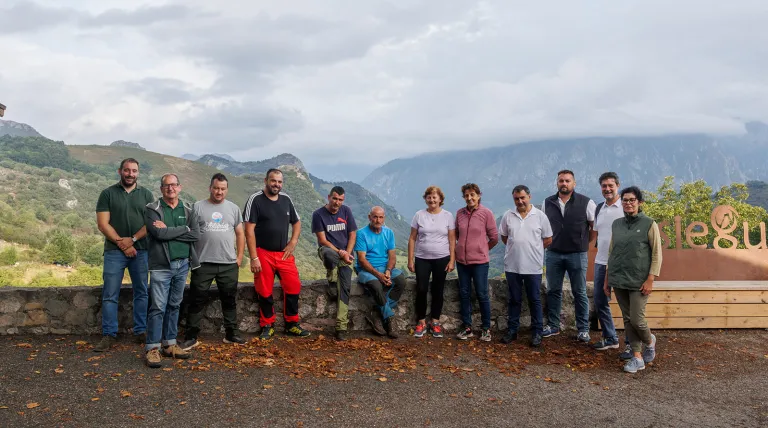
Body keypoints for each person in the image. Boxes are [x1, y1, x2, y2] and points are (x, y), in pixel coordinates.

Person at [94, 158, 155, 352]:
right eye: (127, 170)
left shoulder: (146, 194)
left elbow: (151, 223)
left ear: (138, 173)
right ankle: (109, 334)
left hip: (141, 249)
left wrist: (133, 240)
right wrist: (123, 243)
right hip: (114, 251)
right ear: (120, 171)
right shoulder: (107, 194)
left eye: (134, 171)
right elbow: (103, 224)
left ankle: (140, 331)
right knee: (110, 294)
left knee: (142, 292)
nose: (130, 174)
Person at [181, 173, 246, 351]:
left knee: (229, 298)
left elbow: (240, 233)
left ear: (227, 190)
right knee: (197, 298)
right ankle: (191, 336)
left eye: (223, 189)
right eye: (216, 188)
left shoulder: (233, 208)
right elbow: (189, 231)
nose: (219, 192)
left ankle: (232, 334)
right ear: (210, 187)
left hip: (228, 263)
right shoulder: (197, 207)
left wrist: (239, 257)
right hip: (203, 262)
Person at [244, 168, 310, 339]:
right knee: (264, 290)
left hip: (283, 253)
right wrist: (254, 258)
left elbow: (296, 222)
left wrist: (293, 242)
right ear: (266, 180)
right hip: (263, 252)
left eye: (280, 182)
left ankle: (292, 323)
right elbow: (248, 231)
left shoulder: (286, 199)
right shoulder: (255, 200)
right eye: (273, 181)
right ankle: (267, 324)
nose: (277, 185)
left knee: (294, 285)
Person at [143, 173, 200, 368]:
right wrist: (183, 229)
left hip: (182, 264)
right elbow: (158, 234)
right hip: (161, 266)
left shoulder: (188, 210)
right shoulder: (153, 209)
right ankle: (152, 348)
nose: (171, 189)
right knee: (158, 307)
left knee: (174, 305)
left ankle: (170, 344)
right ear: (161, 189)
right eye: (167, 186)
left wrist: (171, 230)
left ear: (180, 187)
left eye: (174, 185)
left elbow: (196, 235)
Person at [605, 186, 662, 373]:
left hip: (639, 280)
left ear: (639, 202)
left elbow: (656, 254)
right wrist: (607, 278)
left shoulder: (649, 223)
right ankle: (637, 357)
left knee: (637, 319)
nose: (628, 203)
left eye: (632, 200)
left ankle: (649, 340)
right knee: (628, 319)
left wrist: (651, 279)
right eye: (625, 200)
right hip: (619, 278)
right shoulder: (617, 224)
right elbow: (612, 251)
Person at [541, 170, 596, 342]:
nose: (564, 184)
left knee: (579, 292)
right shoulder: (547, 202)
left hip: (577, 255)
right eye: (561, 181)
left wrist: (582, 243)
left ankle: (583, 329)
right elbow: (543, 227)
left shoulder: (586, 202)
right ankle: (553, 326)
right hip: (554, 254)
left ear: (574, 183)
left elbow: (593, 227)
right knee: (553, 290)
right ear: (557, 183)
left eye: (567, 181)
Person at [498, 185, 552, 347]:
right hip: (512, 266)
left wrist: (533, 249)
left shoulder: (540, 216)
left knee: (534, 299)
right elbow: (504, 237)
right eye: (516, 198)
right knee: (514, 299)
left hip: (533, 266)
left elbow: (548, 239)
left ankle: (537, 332)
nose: (520, 201)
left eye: (523, 197)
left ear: (529, 197)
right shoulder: (508, 215)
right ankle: (512, 331)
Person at [407, 186, 455, 338]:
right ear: (425, 199)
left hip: (442, 258)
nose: (432, 200)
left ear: (440, 199)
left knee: (438, 290)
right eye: (429, 197)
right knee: (421, 289)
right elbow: (412, 238)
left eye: (435, 197)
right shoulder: (419, 215)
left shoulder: (448, 216)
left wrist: (452, 259)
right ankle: (421, 322)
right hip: (422, 258)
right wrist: (410, 259)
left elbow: (452, 239)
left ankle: (435, 322)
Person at [311, 186, 357, 341]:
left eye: (340, 200)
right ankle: (331, 278)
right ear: (329, 197)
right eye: (335, 198)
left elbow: (352, 234)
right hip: (328, 251)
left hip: (345, 256)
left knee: (345, 289)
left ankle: (341, 327)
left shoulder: (346, 211)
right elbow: (322, 240)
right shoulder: (318, 214)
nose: (337, 202)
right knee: (329, 255)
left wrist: (348, 253)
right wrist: (340, 252)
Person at [354, 206, 406, 339]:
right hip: (366, 269)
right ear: (369, 217)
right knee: (376, 285)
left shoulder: (388, 233)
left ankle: (377, 312)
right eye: (375, 217)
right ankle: (389, 319)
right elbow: (361, 259)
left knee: (400, 280)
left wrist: (388, 271)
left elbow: (392, 256)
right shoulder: (361, 233)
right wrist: (379, 275)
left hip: (384, 267)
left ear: (384, 218)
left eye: (381, 217)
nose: (378, 220)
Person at [455, 183, 498, 342]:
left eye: (472, 194)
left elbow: (494, 237)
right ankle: (467, 327)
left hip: (480, 262)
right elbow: (457, 234)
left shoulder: (486, 213)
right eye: (466, 195)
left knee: (482, 294)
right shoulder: (460, 213)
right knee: (464, 294)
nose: (469, 198)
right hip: (462, 262)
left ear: (479, 195)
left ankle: (486, 328)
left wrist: (483, 249)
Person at [589, 172, 627, 354]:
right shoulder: (599, 209)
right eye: (604, 186)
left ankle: (630, 344)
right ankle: (610, 338)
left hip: (622, 263)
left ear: (617, 186)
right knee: (600, 300)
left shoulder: (626, 207)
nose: (607, 189)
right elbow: (597, 235)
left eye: (610, 185)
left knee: (626, 304)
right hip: (601, 261)